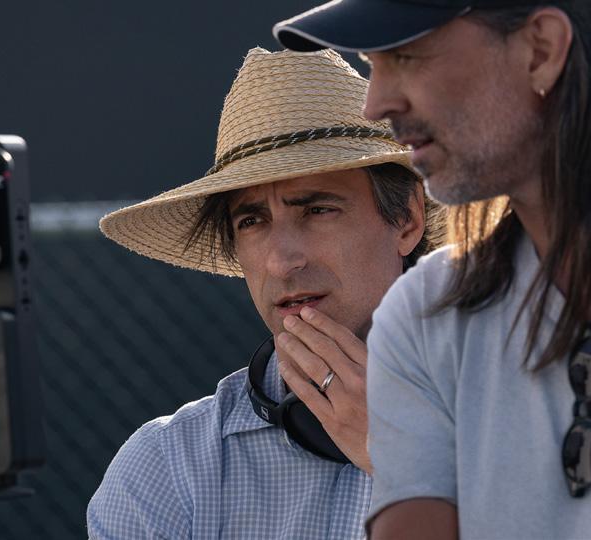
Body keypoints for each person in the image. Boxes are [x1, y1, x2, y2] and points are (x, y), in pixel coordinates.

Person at [274, 1, 591, 538]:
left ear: (541, 50)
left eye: (407, 57)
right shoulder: (424, 316)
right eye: (374, 65)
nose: (375, 104)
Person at [87, 47, 440, 539]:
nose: (281, 261)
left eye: (317, 210)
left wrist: (407, 463)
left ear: (407, 219)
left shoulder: (515, 417)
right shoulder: (167, 468)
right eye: (251, 221)